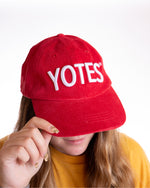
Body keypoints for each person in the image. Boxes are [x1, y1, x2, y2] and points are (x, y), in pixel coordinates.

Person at [0, 34, 150, 188]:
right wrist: (9, 185)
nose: (78, 132)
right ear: (31, 109)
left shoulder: (131, 155)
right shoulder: (8, 158)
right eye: (65, 116)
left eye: (89, 112)